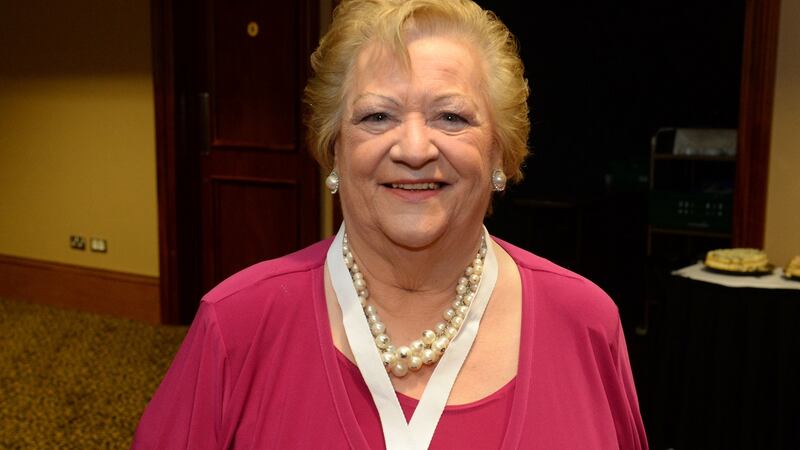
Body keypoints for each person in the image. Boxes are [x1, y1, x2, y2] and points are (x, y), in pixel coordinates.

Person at [133, 0, 648, 448]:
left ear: (501, 152)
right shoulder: (236, 324)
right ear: (334, 148)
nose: (415, 149)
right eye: (377, 116)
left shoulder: (586, 323)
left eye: (452, 117)